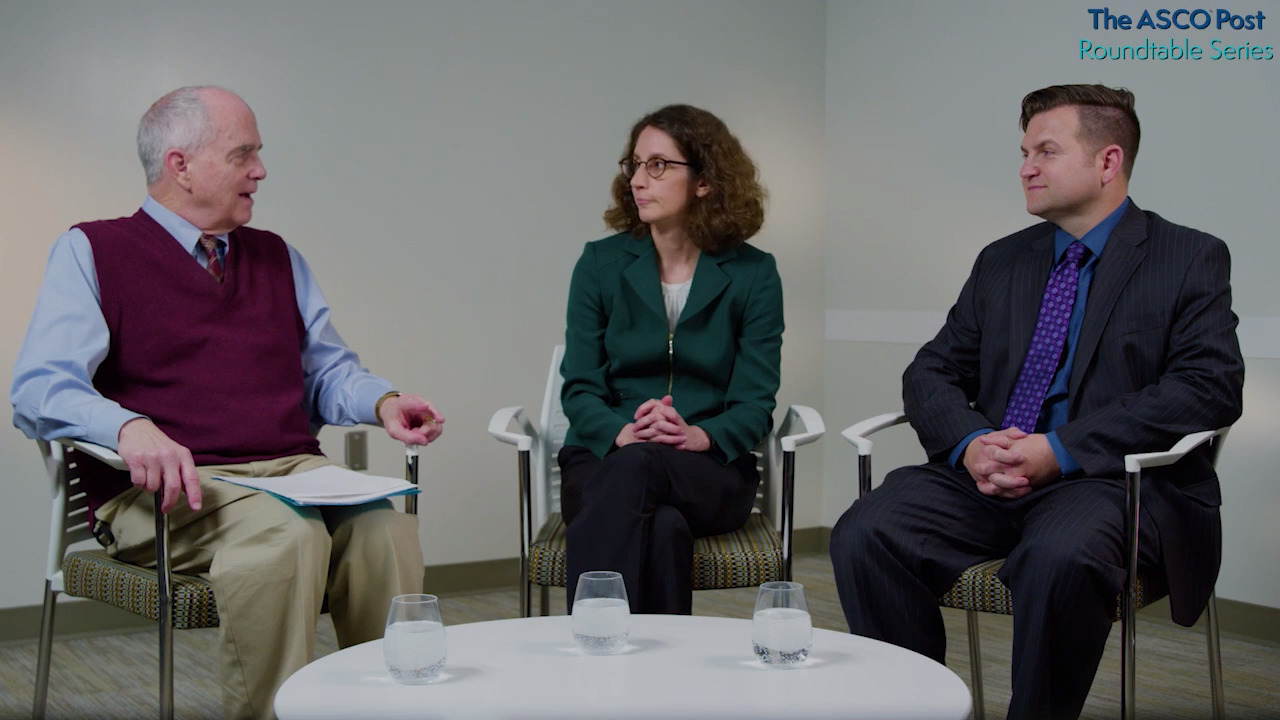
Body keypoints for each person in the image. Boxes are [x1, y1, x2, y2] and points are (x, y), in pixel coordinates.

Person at [10, 86, 444, 720]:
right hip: (167, 491)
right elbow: (38, 386)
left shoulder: (278, 257)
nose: (260, 171)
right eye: (244, 154)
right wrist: (127, 426)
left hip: (290, 474)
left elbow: (326, 373)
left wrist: (382, 401)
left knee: (387, 530)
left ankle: (386, 711)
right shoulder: (92, 250)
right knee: (285, 535)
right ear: (181, 165)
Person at [829, 84, 1244, 720]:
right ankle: (917, 709)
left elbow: (1208, 387)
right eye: (1023, 153)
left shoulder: (1187, 256)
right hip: (989, 475)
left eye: (1046, 151)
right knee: (866, 531)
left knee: (1059, 556)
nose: (1026, 167)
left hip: (1106, 482)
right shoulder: (1002, 261)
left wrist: (1059, 450)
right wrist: (971, 444)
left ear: (1107, 161)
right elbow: (933, 369)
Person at [559, 104, 783, 614]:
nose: (638, 180)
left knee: (641, 471)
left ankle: (591, 640)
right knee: (662, 527)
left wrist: (698, 435)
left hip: (707, 469)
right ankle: (661, 666)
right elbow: (580, 389)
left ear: (704, 180)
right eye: (635, 164)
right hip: (604, 458)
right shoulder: (599, 264)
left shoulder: (754, 274)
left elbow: (755, 404)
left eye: (658, 165)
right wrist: (623, 432)